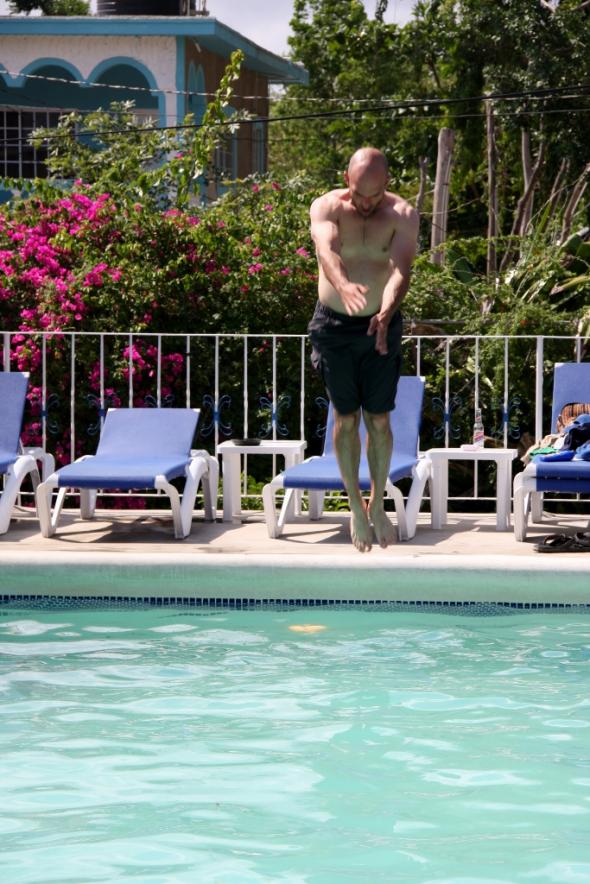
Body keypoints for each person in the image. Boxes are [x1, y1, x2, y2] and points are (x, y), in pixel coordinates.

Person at [308, 147, 419, 552]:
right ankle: (356, 505)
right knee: (346, 416)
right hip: (334, 326)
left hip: (380, 326)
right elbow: (326, 251)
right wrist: (343, 286)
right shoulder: (327, 207)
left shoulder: (402, 214)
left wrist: (386, 311)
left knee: (379, 420)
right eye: (359, 194)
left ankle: (378, 503)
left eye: (374, 196)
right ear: (346, 179)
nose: (366, 204)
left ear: (387, 184)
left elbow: (401, 269)